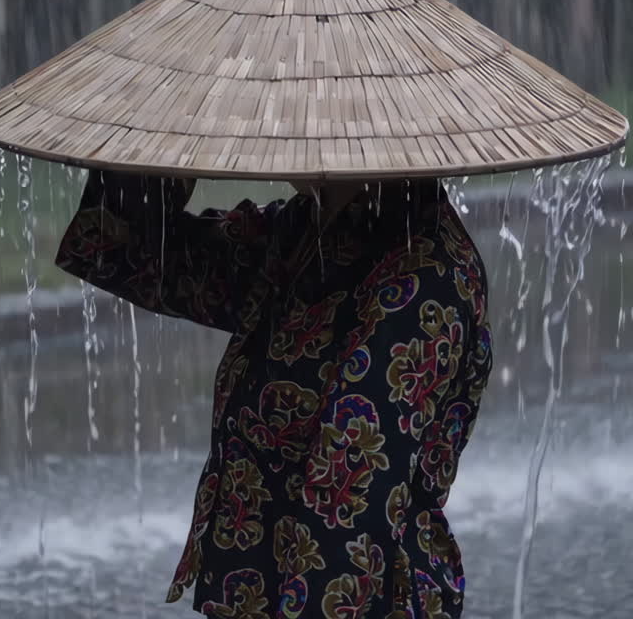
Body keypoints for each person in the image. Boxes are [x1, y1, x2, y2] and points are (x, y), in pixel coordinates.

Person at [56, 169, 492, 619]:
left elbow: (349, 511)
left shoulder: (423, 278)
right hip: (260, 587)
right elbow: (120, 250)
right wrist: (166, 153)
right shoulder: (305, 230)